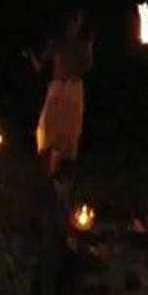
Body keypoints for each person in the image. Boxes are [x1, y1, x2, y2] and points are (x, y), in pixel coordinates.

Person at [26, 11, 94, 190]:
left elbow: (87, 65)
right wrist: (31, 56)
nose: (75, 26)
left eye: (78, 22)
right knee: (48, 131)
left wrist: (89, 47)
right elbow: (41, 65)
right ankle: (48, 176)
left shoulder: (81, 44)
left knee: (68, 136)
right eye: (73, 21)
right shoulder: (57, 42)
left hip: (73, 89)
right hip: (58, 88)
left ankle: (61, 179)